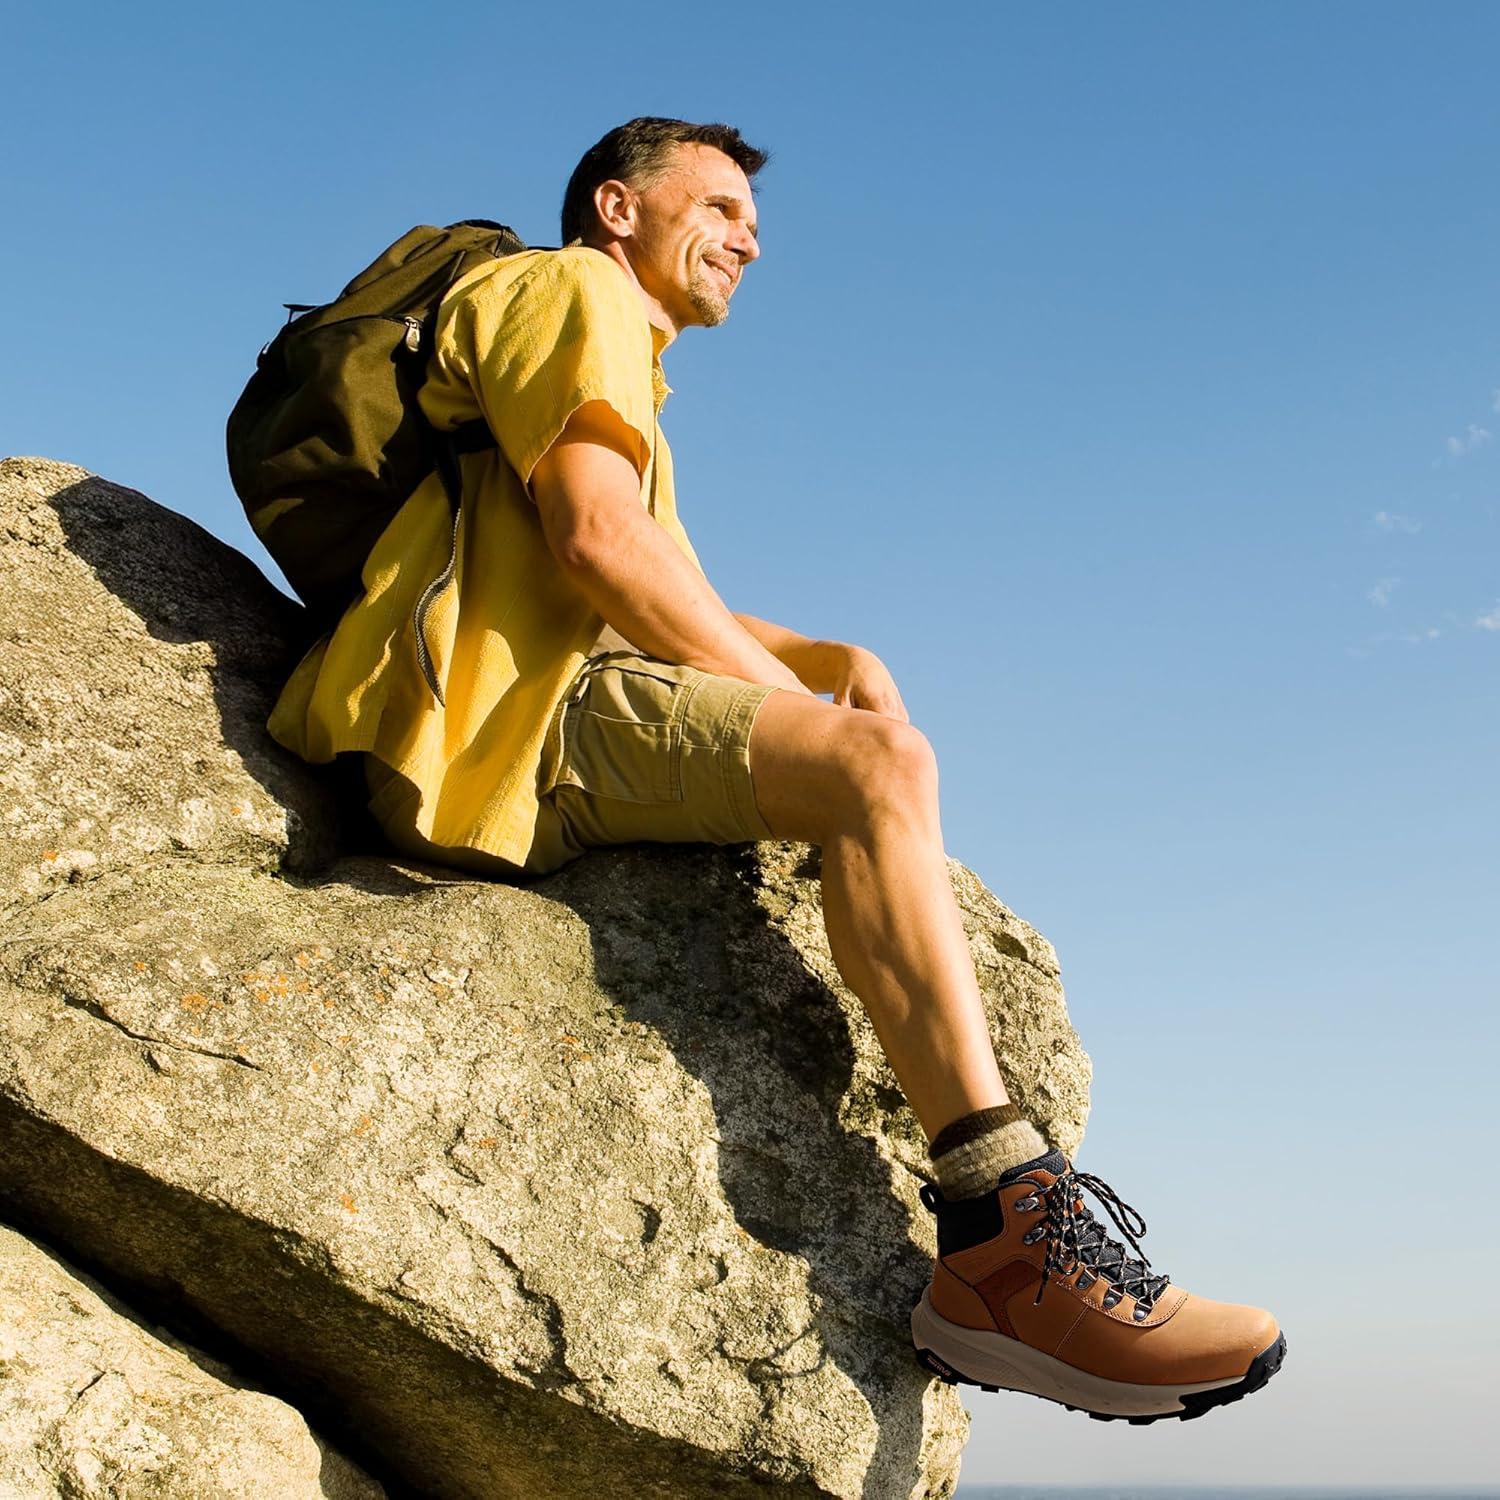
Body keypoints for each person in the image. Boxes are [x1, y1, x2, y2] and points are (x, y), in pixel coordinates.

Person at [266, 116, 1284, 1422]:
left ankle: (1011, 1254)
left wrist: (821, 652)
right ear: (618, 208)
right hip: (507, 730)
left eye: (754, 222)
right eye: (721, 207)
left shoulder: (594, 349)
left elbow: (642, 571)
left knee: (863, 745)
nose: (750, 240)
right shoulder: (574, 290)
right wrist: (817, 723)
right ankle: (1005, 1244)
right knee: (878, 769)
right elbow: (599, 547)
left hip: (508, 715)